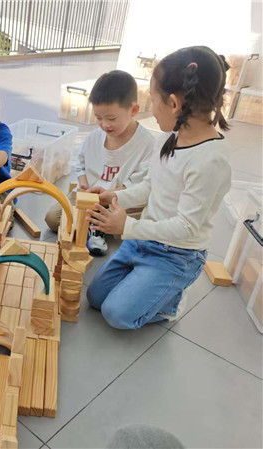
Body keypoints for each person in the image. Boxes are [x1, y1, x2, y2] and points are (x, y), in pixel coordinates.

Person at [85, 46, 231, 329]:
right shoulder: (169, 138)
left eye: (153, 100)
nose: (151, 109)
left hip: (177, 254)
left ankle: (171, 303)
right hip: (143, 239)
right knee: (96, 297)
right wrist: (114, 196)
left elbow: (186, 227)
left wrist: (127, 226)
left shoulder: (210, 160)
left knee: (117, 314)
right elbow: (151, 186)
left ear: (174, 103)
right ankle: (146, 283)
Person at [45, 70, 155, 256]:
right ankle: (97, 227)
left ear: (133, 111)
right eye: (98, 118)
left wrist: (111, 194)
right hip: (90, 196)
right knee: (52, 218)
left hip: (118, 201)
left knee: (142, 221)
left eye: (111, 118)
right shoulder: (94, 137)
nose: (104, 124)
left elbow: (140, 184)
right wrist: (84, 184)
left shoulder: (146, 143)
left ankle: (95, 226)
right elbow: (80, 163)